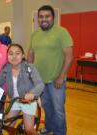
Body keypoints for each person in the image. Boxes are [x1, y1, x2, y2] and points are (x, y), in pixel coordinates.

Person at [27, 5, 73, 135]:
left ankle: (60, 132)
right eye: (41, 17)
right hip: (40, 81)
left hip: (56, 81)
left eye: (47, 16)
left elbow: (69, 56)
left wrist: (61, 76)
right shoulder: (34, 35)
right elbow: (30, 55)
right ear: (38, 19)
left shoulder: (62, 32)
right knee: (47, 107)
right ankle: (49, 128)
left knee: (58, 109)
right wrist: (29, 75)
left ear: (53, 17)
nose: (44, 19)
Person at [0, 43, 44, 135]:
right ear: (7, 56)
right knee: (7, 125)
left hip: (28, 101)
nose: (14, 56)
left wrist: (32, 93)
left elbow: (40, 84)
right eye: (11, 53)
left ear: (23, 55)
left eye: (17, 53)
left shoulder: (29, 67)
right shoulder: (6, 69)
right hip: (14, 101)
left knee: (29, 130)